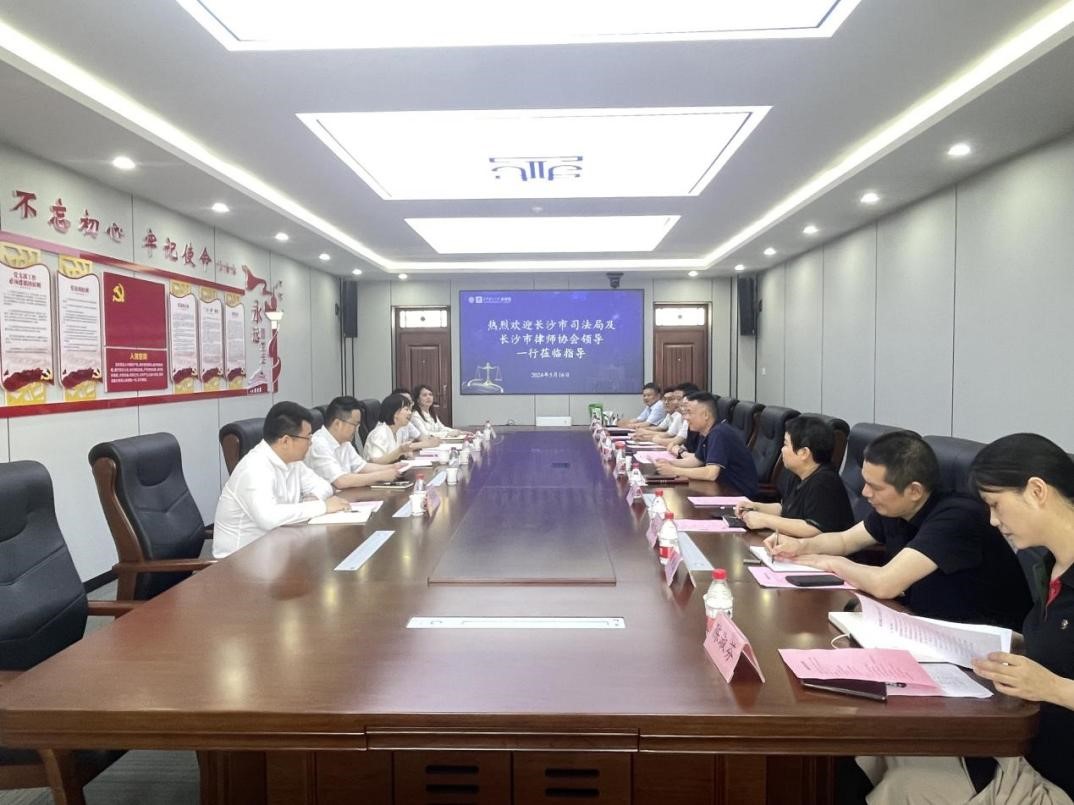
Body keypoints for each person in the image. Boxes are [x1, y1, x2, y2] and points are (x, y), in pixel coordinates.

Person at [853, 433, 1074, 805]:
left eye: (996, 505)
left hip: (1054, 777)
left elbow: (1054, 677)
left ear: (1037, 491)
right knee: (876, 742)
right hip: (1019, 745)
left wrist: (1051, 687)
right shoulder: (1052, 565)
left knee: (903, 785)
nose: (992, 520)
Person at [765, 430, 1031, 629]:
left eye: (875, 487)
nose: (865, 492)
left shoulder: (957, 518)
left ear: (914, 490)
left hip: (979, 646)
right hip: (920, 622)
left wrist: (829, 562)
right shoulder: (894, 508)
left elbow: (885, 584)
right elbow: (845, 541)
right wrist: (801, 546)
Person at [213, 401, 348, 558]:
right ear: (286, 441)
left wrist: (312, 500)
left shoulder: (293, 462)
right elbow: (268, 518)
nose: (311, 443)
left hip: (276, 549)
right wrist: (321, 506)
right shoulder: (254, 468)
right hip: (239, 560)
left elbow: (324, 486)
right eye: (308, 437)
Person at [735, 416, 855, 536]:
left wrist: (765, 520)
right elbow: (786, 509)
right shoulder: (798, 474)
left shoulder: (824, 482)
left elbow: (814, 529)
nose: (782, 450)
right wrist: (756, 507)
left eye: (785, 444)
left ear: (804, 453)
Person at [654, 391, 759, 497]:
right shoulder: (706, 431)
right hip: (720, 488)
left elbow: (711, 473)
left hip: (737, 494)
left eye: (689, 412)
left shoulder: (719, 433)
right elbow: (697, 460)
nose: (685, 417)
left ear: (705, 415)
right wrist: (669, 463)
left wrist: (674, 470)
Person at [306, 396, 404, 488]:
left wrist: (394, 467)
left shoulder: (344, 442)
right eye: (354, 425)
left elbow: (362, 467)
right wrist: (380, 476)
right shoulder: (318, 444)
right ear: (337, 423)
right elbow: (340, 481)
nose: (357, 430)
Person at [364, 393, 420, 462]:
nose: (410, 413)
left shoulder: (398, 431)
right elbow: (374, 462)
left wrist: (404, 453)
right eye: (406, 409)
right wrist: (399, 451)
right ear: (395, 413)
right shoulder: (380, 433)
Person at [391, 386, 441, 450]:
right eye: (405, 403)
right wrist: (417, 445)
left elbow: (423, 438)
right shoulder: (385, 429)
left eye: (410, 403)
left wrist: (432, 440)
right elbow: (396, 449)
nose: (410, 410)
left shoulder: (407, 423)